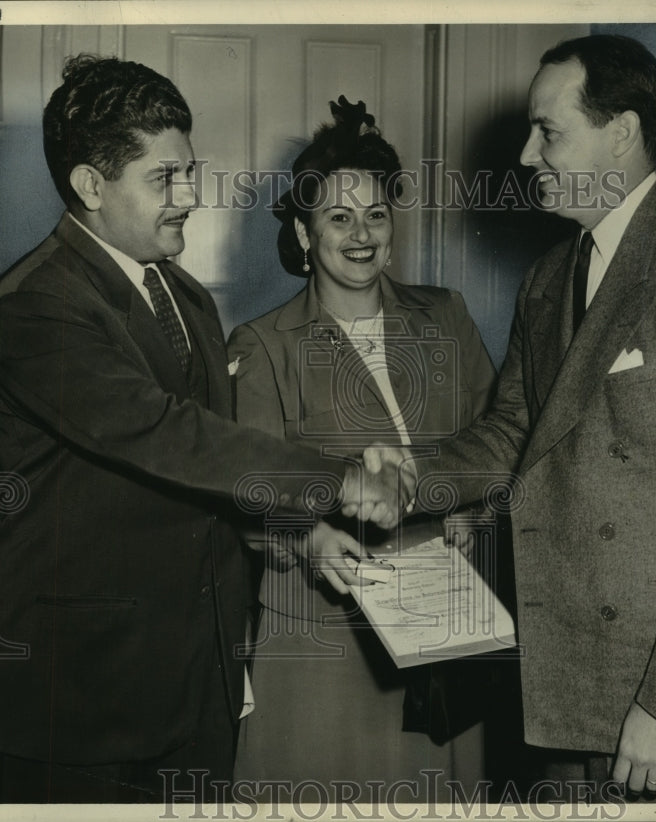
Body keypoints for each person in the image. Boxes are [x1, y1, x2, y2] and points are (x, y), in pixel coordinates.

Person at [359, 34, 656, 803]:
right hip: (566, 682)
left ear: (620, 133)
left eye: (548, 132)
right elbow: (514, 433)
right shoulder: (549, 276)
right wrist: (415, 473)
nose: (528, 155)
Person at [0, 56, 398, 803]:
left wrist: (308, 535)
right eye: (164, 179)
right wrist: (337, 481)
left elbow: (217, 477)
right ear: (89, 185)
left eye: (189, 173)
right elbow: (172, 437)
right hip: (83, 705)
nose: (188, 198)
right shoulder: (36, 307)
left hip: (195, 689)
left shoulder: (186, 297)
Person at [227, 97, 499, 798]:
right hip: (323, 630)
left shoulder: (444, 314)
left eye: (376, 215)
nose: (361, 234)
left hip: (443, 620)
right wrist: (307, 538)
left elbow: (494, 441)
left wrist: (465, 507)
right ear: (302, 229)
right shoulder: (261, 345)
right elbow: (251, 489)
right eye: (338, 217)